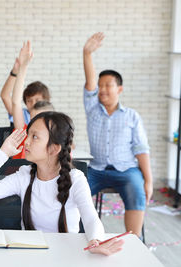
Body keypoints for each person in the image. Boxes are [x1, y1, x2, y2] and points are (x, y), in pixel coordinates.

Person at [0, 111, 124, 256]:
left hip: (66, 255)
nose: (26, 142)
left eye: (34, 137)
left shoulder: (76, 179)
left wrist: (95, 240)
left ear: (54, 148)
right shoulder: (24, 175)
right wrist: (3, 154)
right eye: (28, 135)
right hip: (29, 256)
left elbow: (90, 218)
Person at [82, 32, 153, 237]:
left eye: (108, 85)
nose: (102, 89)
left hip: (126, 170)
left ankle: (134, 242)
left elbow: (141, 149)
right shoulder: (92, 109)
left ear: (119, 89)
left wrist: (148, 180)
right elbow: (89, 83)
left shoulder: (132, 116)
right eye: (100, 85)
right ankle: (77, 237)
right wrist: (87, 54)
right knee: (74, 191)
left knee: (136, 190)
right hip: (96, 170)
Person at [0, 50, 50, 126]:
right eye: (29, 101)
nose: (33, 104)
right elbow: (5, 96)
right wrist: (15, 72)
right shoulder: (22, 115)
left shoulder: (52, 118)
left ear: (46, 100)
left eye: (37, 100)